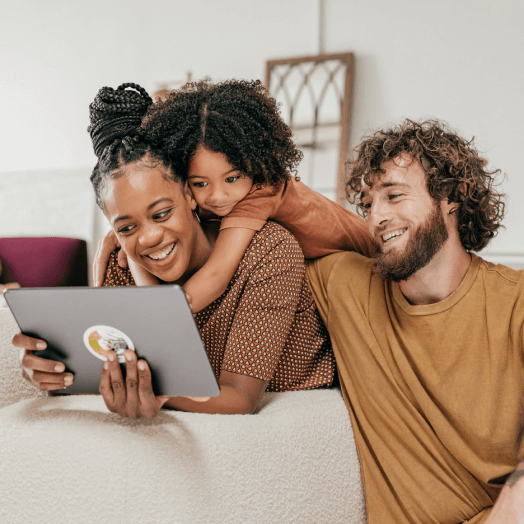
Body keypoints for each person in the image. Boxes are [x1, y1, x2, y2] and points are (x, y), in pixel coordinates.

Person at [13, 82, 365, 419]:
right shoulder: (121, 263)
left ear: (187, 195)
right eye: (126, 227)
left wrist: (157, 393)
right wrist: (61, 373)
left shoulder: (268, 249)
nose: (148, 238)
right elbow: (115, 366)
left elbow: (238, 397)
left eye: (161, 214)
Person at [306, 118, 524, 523]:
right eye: (369, 204)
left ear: (452, 198)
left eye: (394, 195)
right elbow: (274, 203)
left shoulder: (515, 300)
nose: (376, 217)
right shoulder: (347, 286)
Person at [93, 79, 374, 314]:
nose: (217, 196)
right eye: (200, 183)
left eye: (232, 178)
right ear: (185, 186)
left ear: (254, 162)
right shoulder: (227, 197)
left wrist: (155, 316)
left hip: (371, 259)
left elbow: (214, 279)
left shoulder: (260, 193)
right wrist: (122, 234)